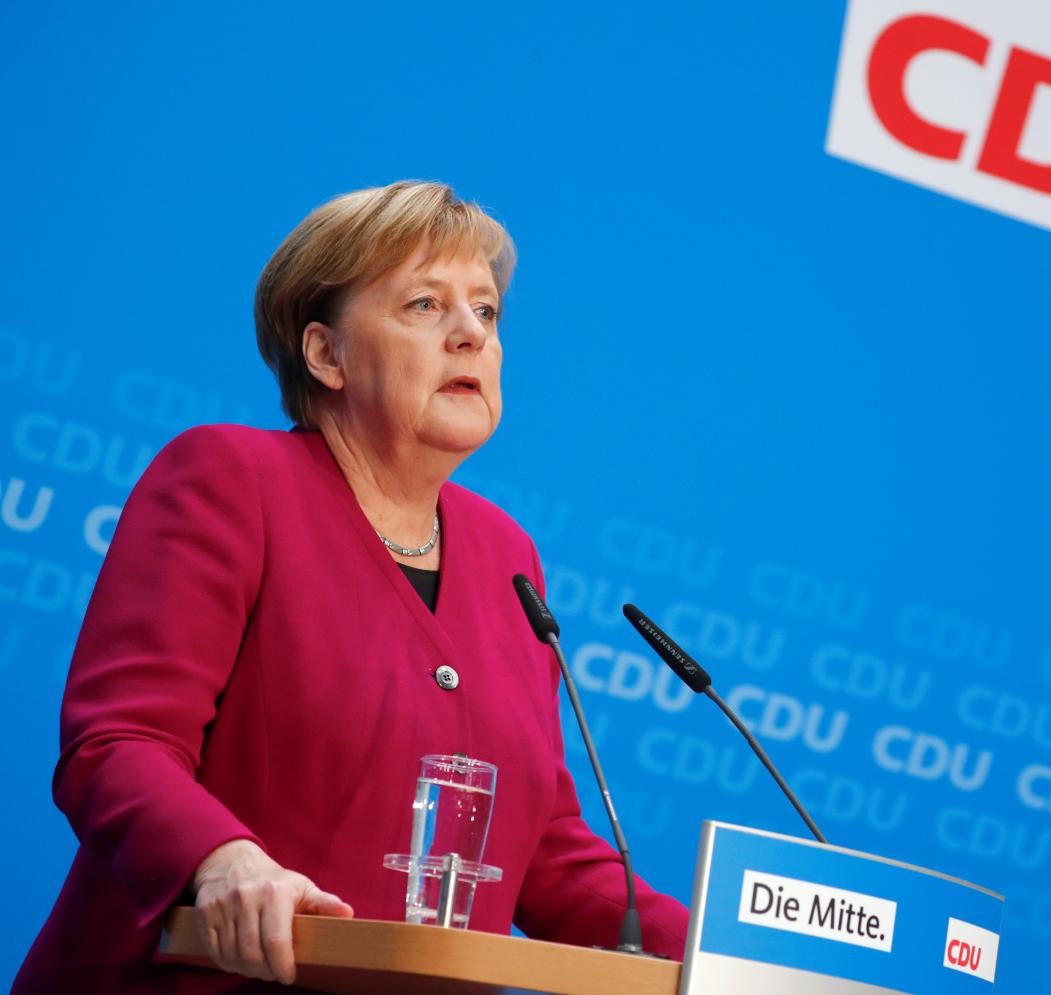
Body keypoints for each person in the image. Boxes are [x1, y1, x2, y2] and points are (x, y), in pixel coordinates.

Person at [13, 181, 690, 991]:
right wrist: (223, 860)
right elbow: (117, 743)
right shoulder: (232, 481)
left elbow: (545, 849)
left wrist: (726, 951)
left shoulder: (507, 554)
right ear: (326, 354)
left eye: (487, 311)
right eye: (424, 306)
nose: (471, 333)